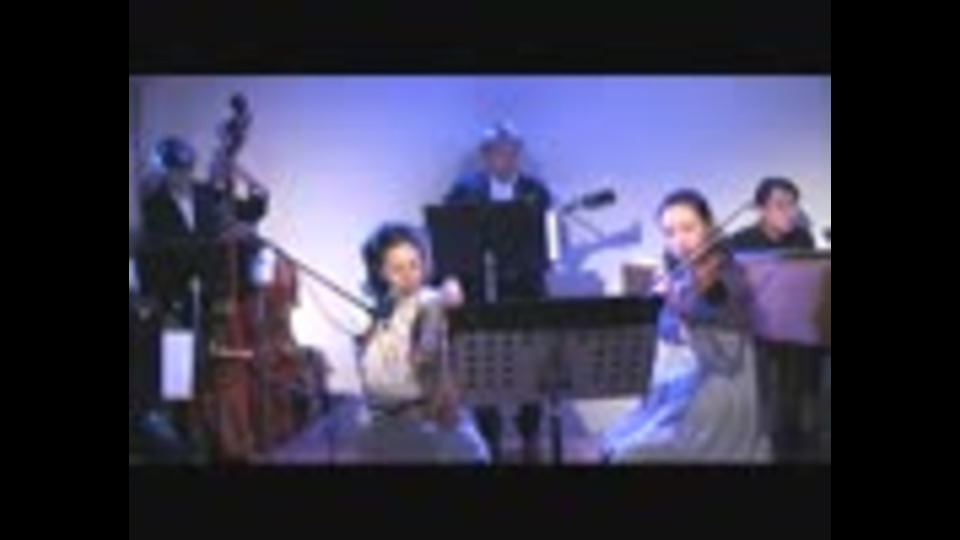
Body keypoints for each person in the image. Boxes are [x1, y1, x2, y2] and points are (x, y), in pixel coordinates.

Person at [600, 189, 770, 463]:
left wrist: (683, 305)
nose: (679, 241)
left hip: (722, 388)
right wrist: (658, 305)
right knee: (616, 439)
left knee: (636, 454)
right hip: (690, 379)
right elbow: (671, 334)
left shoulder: (727, 272)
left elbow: (727, 355)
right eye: (669, 233)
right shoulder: (682, 275)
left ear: (709, 226)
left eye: (688, 228)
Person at [443, 123, 552, 463]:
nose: (505, 159)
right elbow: (447, 240)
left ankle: (530, 435)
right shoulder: (463, 190)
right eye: (497, 152)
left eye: (512, 152)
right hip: (478, 290)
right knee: (481, 362)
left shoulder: (535, 191)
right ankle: (488, 437)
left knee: (533, 363)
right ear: (485, 156)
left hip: (525, 290)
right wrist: (450, 278)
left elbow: (547, 244)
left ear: (519, 154)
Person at [353, 223, 490, 464]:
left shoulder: (429, 299)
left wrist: (450, 292)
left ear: (425, 264)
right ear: (381, 272)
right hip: (388, 423)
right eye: (397, 269)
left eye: (414, 265)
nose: (408, 275)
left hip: (433, 417)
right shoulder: (375, 313)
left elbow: (448, 297)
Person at [728, 177, 816, 252]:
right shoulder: (740, 242)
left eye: (792, 204)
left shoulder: (803, 239)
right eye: (780, 206)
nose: (790, 213)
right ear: (762, 210)